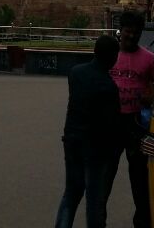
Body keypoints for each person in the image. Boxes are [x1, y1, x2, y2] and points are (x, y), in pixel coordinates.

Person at [54, 34, 122, 228]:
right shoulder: (108, 86)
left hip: (72, 141)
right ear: (111, 57)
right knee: (94, 200)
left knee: (71, 194)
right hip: (95, 149)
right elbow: (111, 123)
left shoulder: (76, 73)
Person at [106, 10, 154, 228]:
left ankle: (143, 222)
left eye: (136, 33)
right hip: (111, 123)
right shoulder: (109, 56)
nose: (131, 36)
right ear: (121, 31)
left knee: (139, 179)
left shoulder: (149, 59)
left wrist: (150, 96)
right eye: (128, 31)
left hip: (136, 124)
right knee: (104, 176)